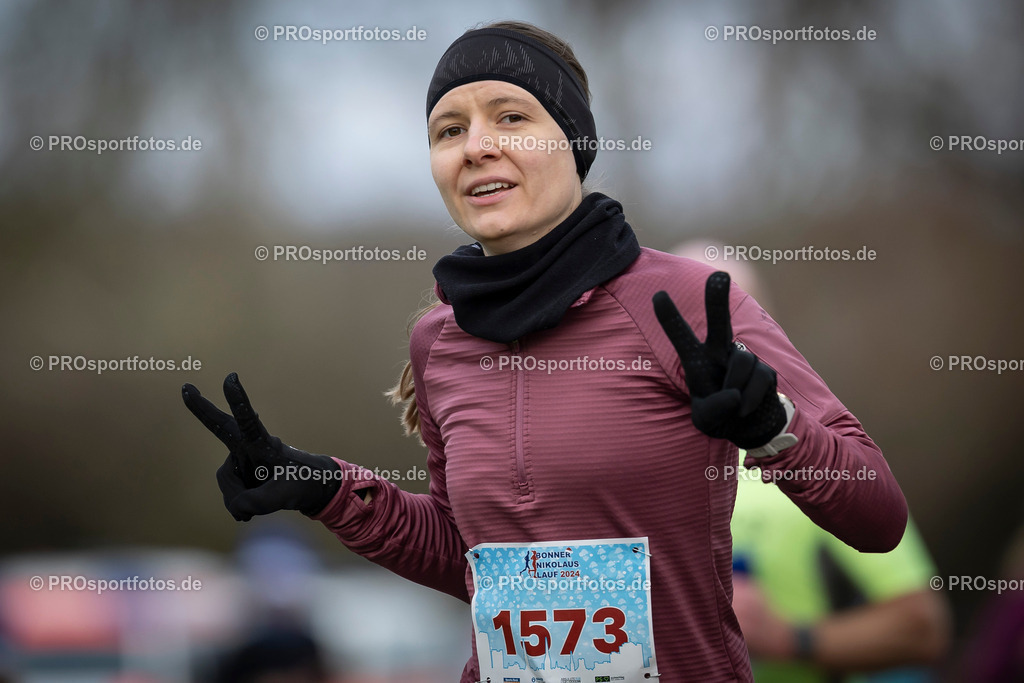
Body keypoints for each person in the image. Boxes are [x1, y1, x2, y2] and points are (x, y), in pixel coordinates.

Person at [181, 21, 908, 682]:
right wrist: (320, 487)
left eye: (511, 117)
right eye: (448, 129)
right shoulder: (437, 339)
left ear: (573, 138)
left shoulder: (687, 303)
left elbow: (880, 518)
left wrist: (771, 425)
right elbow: (466, 555)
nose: (476, 145)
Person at [673, 241, 951, 682]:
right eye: (684, 320)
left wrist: (790, 639)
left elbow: (924, 626)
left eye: (727, 315)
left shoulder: (817, 455)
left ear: (765, 328)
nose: (705, 342)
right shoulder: (627, 461)